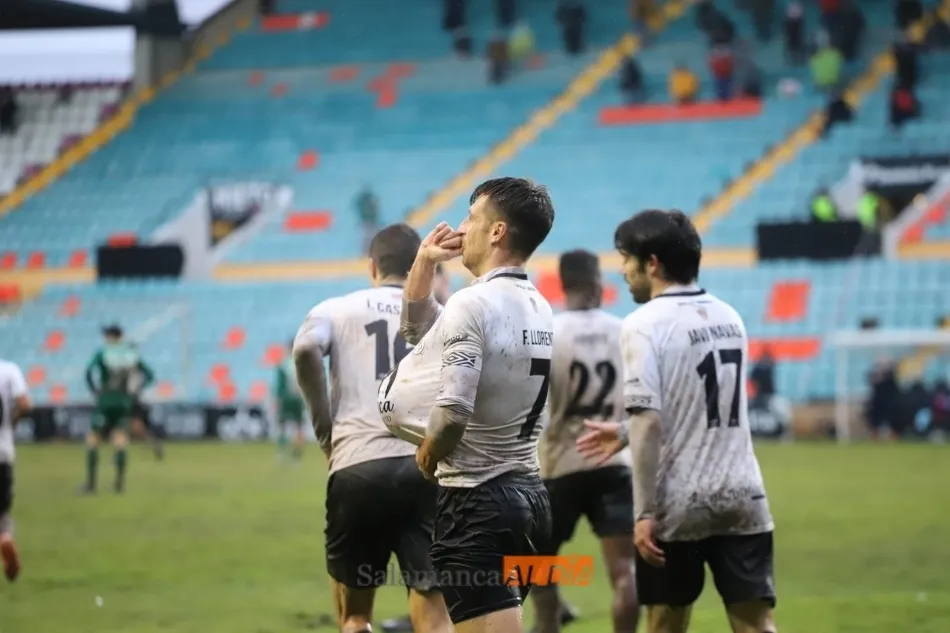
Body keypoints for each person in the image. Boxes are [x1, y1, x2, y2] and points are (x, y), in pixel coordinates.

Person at [576, 209, 777, 633]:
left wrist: (644, 511)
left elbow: (648, 420)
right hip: (745, 494)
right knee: (757, 625)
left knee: (665, 624)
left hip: (681, 501)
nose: (622, 271)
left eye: (626, 259)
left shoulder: (643, 324)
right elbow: (701, 409)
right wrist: (625, 432)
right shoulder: (729, 316)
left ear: (652, 263)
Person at [379, 177, 556, 633]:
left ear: (496, 231)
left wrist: (429, 450)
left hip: (480, 499)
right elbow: (421, 335)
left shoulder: (472, 303)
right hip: (530, 499)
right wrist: (423, 260)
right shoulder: (538, 305)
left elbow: (454, 407)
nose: (463, 227)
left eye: (471, 217)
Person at [293, 223, 451, 633]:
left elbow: (306, 347)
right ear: (421, 265)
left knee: (355, 615)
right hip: (425, 466)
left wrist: (325, 429)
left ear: (372, 266)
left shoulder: (336, 308)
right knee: (434, 613)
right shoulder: (441, 314)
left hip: (358, 465)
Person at [531, 250, 638, 633]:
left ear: (563, 285)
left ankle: (546, 624)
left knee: (534, 561)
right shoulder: (624, 329)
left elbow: (535, 406)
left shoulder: (549, 334)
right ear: (597, 285)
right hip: (615, 462)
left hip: (563, 463)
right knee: (624, 571)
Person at [83, 325, 155, 494]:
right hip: (124, 401)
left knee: (93, 439)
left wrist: (94, 390)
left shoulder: (103, 352)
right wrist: (136, 392)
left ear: (110, 336)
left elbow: (88, 372)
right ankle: (119, 484)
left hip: (106, 399)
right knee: (120, 440)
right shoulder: (131, 354)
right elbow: (150, 375)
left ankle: (91, 485)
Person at [0, 357, 31, 582]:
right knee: (2, 512)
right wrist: (13, 422)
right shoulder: (9, 370)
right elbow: (25, 404)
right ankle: (5, 537)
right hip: (3, 453)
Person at [274, 340, 306, 460]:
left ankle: (282, 452)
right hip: (298, 398)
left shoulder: (283, 364)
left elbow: (280, 385)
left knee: (282, 424)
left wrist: (277, 399)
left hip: (286, 398)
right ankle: (297, 455)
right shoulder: (301, 363)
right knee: (299, 426)